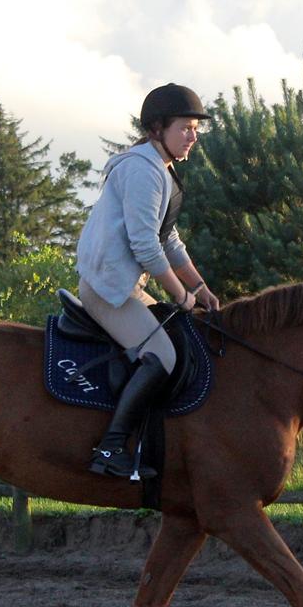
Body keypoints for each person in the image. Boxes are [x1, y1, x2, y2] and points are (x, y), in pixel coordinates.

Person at [75, 83, 221, 478]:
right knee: (163, 356)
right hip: (108, 289)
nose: (193, 137)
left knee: (179, 341)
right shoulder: (143, 170)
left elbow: (168, 239)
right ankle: (110, 448)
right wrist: (180, 295)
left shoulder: (161, 169)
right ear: (158, 129)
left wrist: (200, 288)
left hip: (125, 287)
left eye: (195, 129)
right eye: (185, 128)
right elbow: (145, 247)